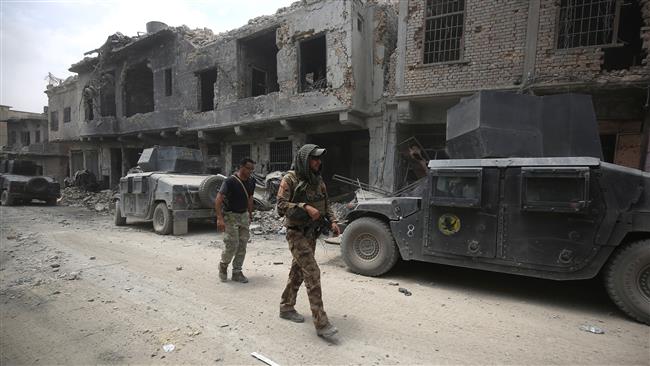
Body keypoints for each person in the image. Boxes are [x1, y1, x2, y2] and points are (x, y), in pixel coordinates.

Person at [276, 144, 341, 338]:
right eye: (314, 159)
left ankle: (286, 307)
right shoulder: (290, 179)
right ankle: (321, 324)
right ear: (305, 160)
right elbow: (280, 206)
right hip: (296, 232)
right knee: (312, 272)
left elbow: (326, 204)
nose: (318, 162)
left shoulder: (318, 181)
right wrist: (304, 206)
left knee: (298, 271)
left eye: (319, 159)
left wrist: (334, 221)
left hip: (311, 234)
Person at [215, 158, 256, 283]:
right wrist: (219, 218)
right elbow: (218, 199)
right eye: (248, 168)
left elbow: (250, 198)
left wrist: (250, 213)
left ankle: (237, 272)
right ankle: (223, 264)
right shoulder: (230, 181)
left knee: (242, 244)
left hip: (243, 215)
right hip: (230, 216)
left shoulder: (251, 182)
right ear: (241, 167)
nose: (250, 171)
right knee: (232, 244)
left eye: (252, 169)